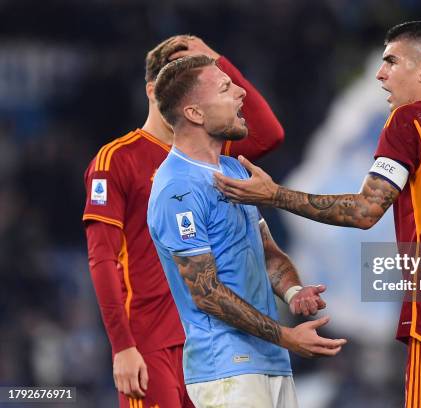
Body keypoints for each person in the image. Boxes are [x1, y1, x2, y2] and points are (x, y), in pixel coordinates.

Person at [214, 20, 421, 408]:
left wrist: (274, 194)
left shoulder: (409, 121)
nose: (380, 75)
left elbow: (365, 211)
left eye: (391, 62)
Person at [82, 35, 310, 408]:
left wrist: (215, 59)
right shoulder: (116, 160)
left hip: (211, 339)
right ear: (156, 89)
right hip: (152, 340)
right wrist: (122, 346)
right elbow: (102, 259)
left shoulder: (214, 159)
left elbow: (270, 134)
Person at [147, 55, 346, 408]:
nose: (241, 93)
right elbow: (206, 292)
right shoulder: (176, 188)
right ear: (194, 113)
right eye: (226, 88)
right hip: (225, 368)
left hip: (271, 362)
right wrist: (286, 336)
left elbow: (265, 252)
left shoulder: (235, 171)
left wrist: (293, 291)